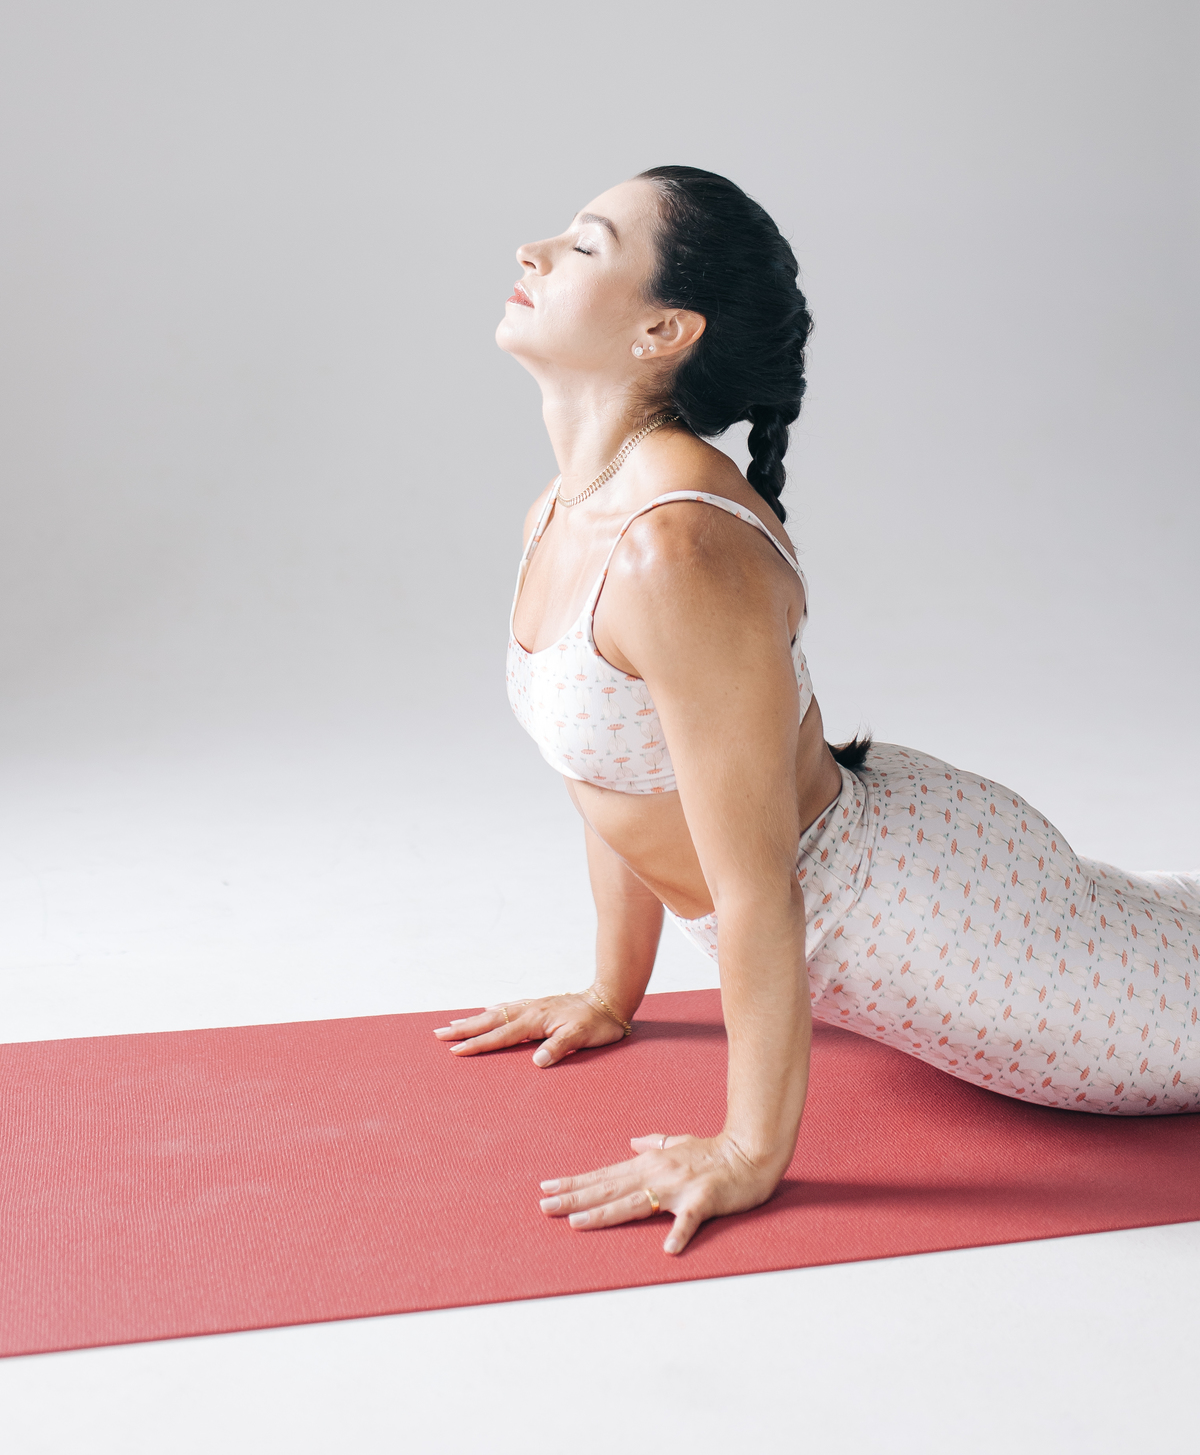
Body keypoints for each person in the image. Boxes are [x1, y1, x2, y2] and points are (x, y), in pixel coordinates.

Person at [434, 165, 1200, 1255]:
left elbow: (759, 890)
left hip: (958, 937)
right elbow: (616, 774)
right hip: (923, 862)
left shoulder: (672, 553)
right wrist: (612, 993)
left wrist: (749, 1153)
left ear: (664, 330)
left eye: (586, 244)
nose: (533, 250)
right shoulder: (566, 509)